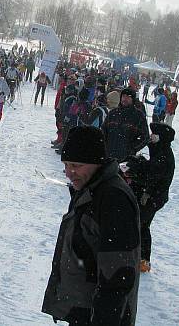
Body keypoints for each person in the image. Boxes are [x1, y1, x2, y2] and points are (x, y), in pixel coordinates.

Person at [42, 126, 140, 326]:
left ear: (96, 162)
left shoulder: (113, 198)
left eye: (76, 165)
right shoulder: (90, 187)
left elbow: (118, 276)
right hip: (83, 308)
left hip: (98, 314)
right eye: (66, 165)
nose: (69, 173)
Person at [124, 122, 175, 272]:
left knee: (139, 225)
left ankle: (140, 259)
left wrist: (134, 173)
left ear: (161, 137)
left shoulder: (163, 156)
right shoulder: (159, 150)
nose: (151, 136)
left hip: (153, 198)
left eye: (154, 134)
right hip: (150, 195)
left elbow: (151, 176)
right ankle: (141, 259)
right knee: (142, 226)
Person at [102, 88, 150, 162]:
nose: (125, 99)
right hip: (109, 155)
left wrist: (132, 148)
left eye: (128, 97)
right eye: (123, 96)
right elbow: (103, 130)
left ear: (133, 99)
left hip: (126, 158)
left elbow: (145, 136)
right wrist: (105, 145)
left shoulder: (138, 116)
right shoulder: (113, 113)